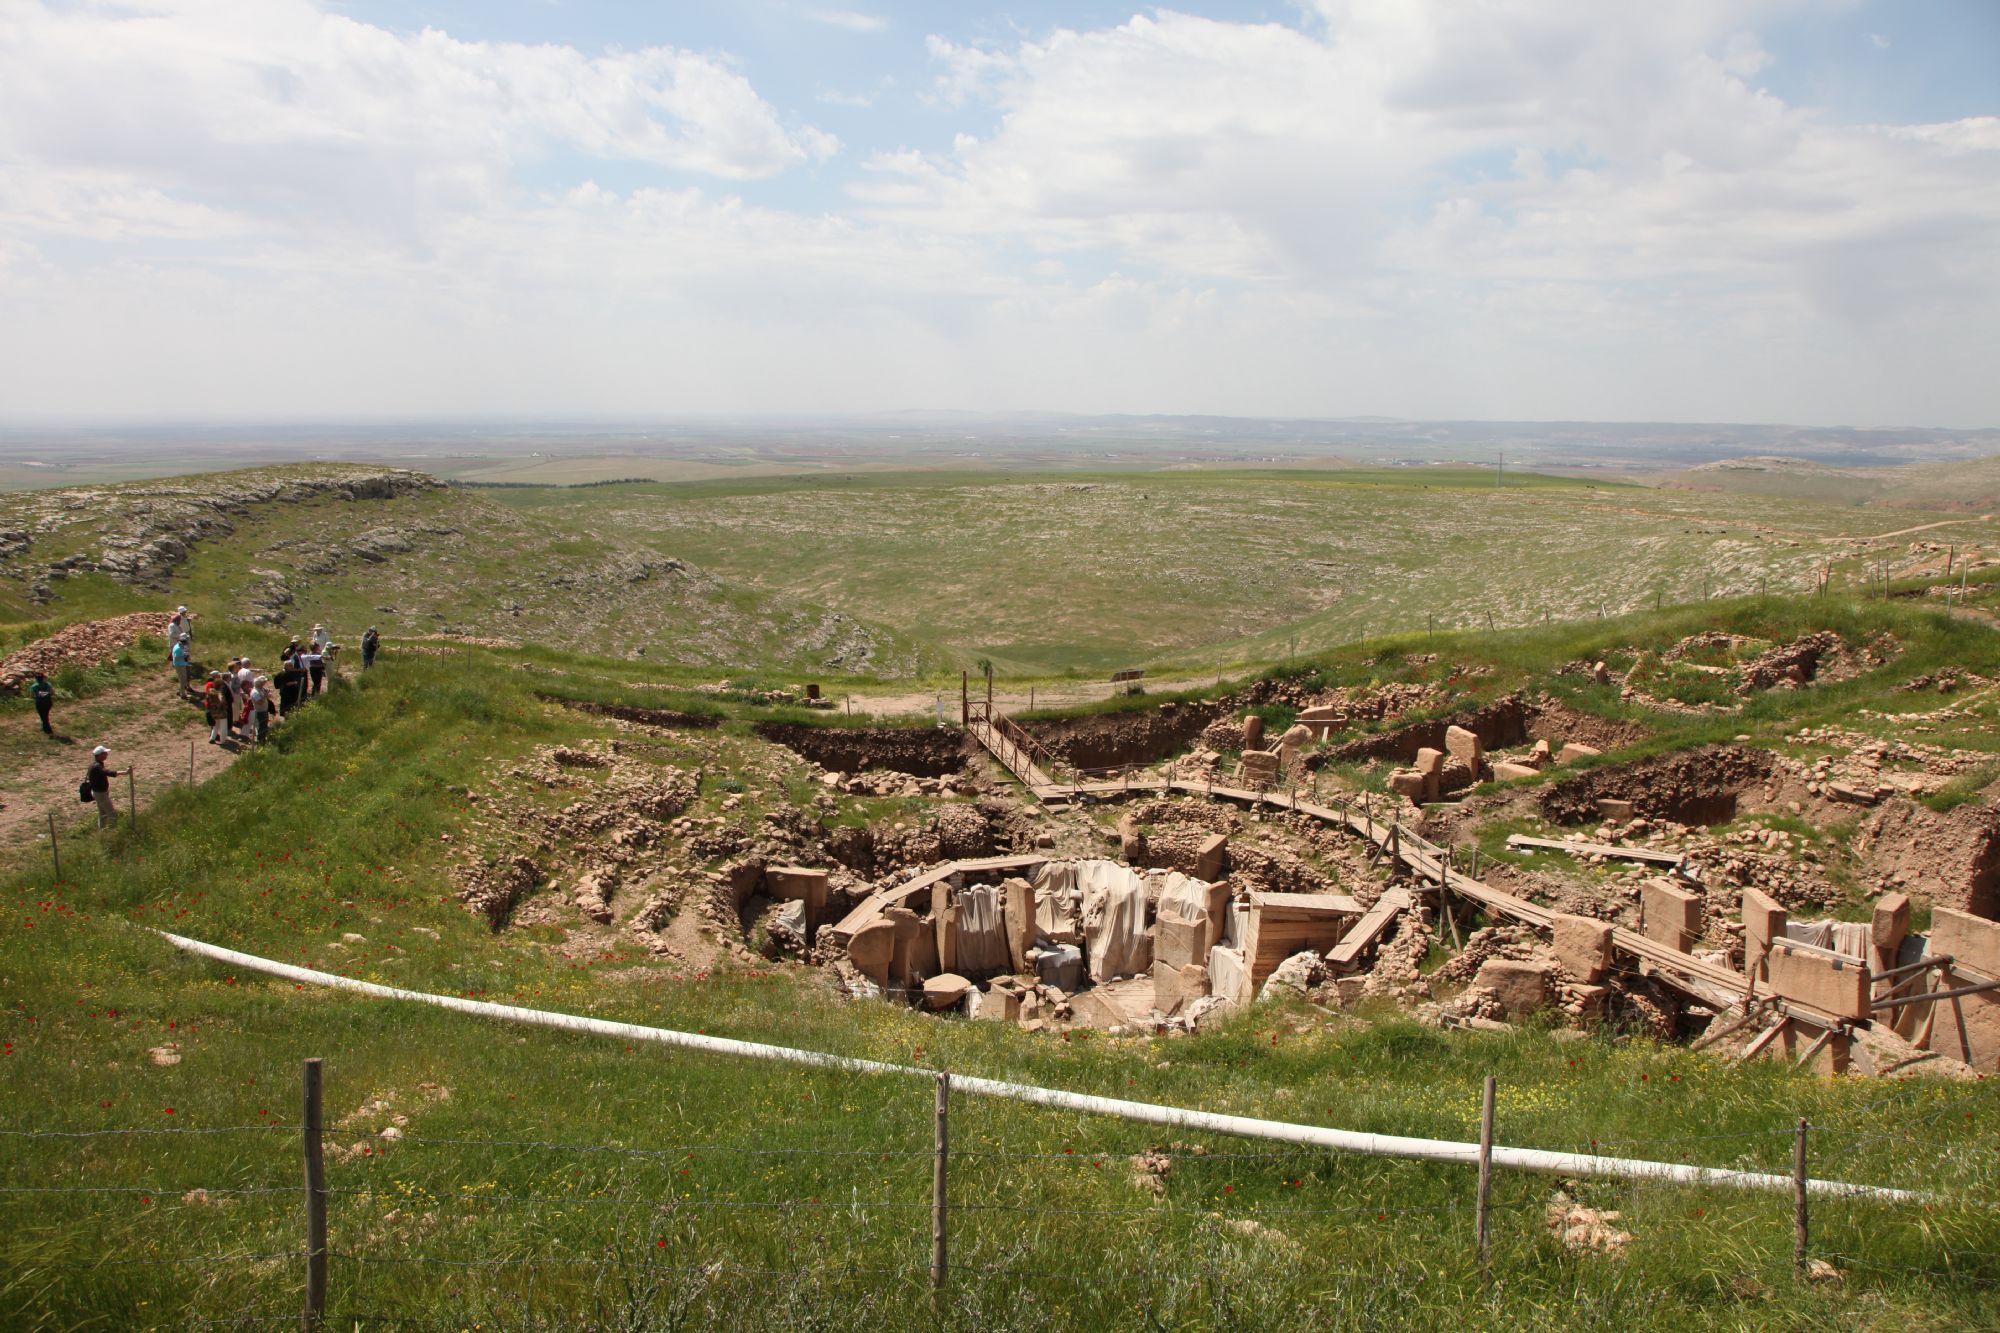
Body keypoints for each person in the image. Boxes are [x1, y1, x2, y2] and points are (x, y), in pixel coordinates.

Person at [86, 746, 126, 828]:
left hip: (98, 792)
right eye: (105, 753)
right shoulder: (97, 766)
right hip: (100, 794)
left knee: (103, 814)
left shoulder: (94, 765)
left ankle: (102, 832)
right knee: (112, 814)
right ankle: (112, 832)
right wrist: (125, 772)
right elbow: (109, 773)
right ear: (100, 755)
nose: (107, 754)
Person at [204, 672, 231, 744]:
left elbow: (207, 700)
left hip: (213, 711)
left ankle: (212, 738)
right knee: (223, 727)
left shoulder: (210, 691)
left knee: (216, 725)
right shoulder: (219, 692)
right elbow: (222, 700)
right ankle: (223, 741)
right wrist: (224, 704)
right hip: (221, 712)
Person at [30, 671, 54, 736]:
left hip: (40, 703)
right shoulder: (48, 684)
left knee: (43, 716)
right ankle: (44, 727)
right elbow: (52, 692)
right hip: (48, 702)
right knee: (45, 715)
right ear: (43, 678)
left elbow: (32, 696)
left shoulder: (34, 686)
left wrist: (39, 695)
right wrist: (45, 694)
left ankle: (48, 731)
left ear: (36, 679)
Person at [250, 676, 272, 742]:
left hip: (264, 710)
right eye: (262, 683)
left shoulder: (261, 689)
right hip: (259, 712)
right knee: (261, 727)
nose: (263, 684)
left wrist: (266, 694)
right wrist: (265, 696)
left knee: (264, 726)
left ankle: (263, 739)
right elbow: (259, 702)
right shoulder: (255, 692)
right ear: (258, 684)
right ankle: (261, 741)